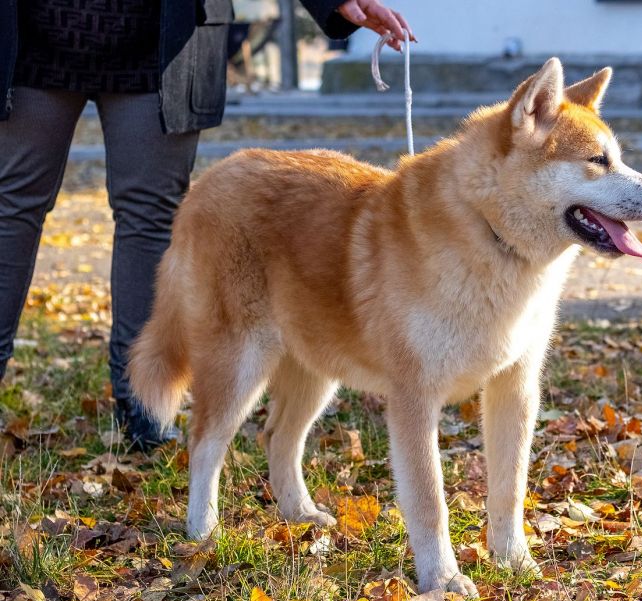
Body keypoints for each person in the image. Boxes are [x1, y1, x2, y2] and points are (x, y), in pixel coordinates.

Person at [0, 0, 413, 450]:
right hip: (32, 37)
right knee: (13, 207)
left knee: (148, 214)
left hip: (162, 40)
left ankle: (142, 408)